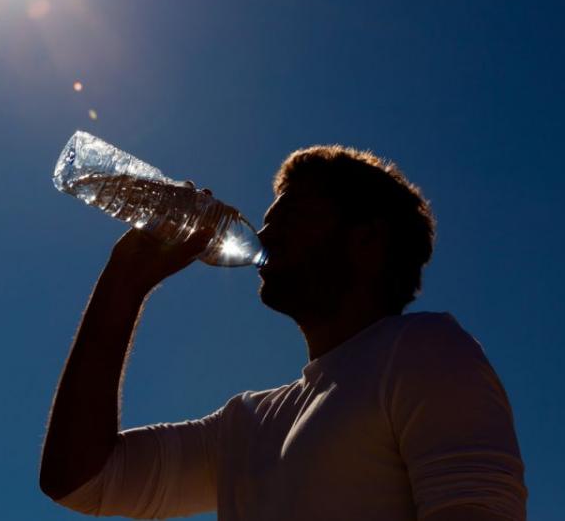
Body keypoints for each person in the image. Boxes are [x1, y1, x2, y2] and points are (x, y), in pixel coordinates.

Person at [39, 145, 527, 520]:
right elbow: (80, 480)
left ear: (366, 240)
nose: (265, 235)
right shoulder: (245, 424)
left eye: (291, 218)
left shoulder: (424, 350)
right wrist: (124, 280)